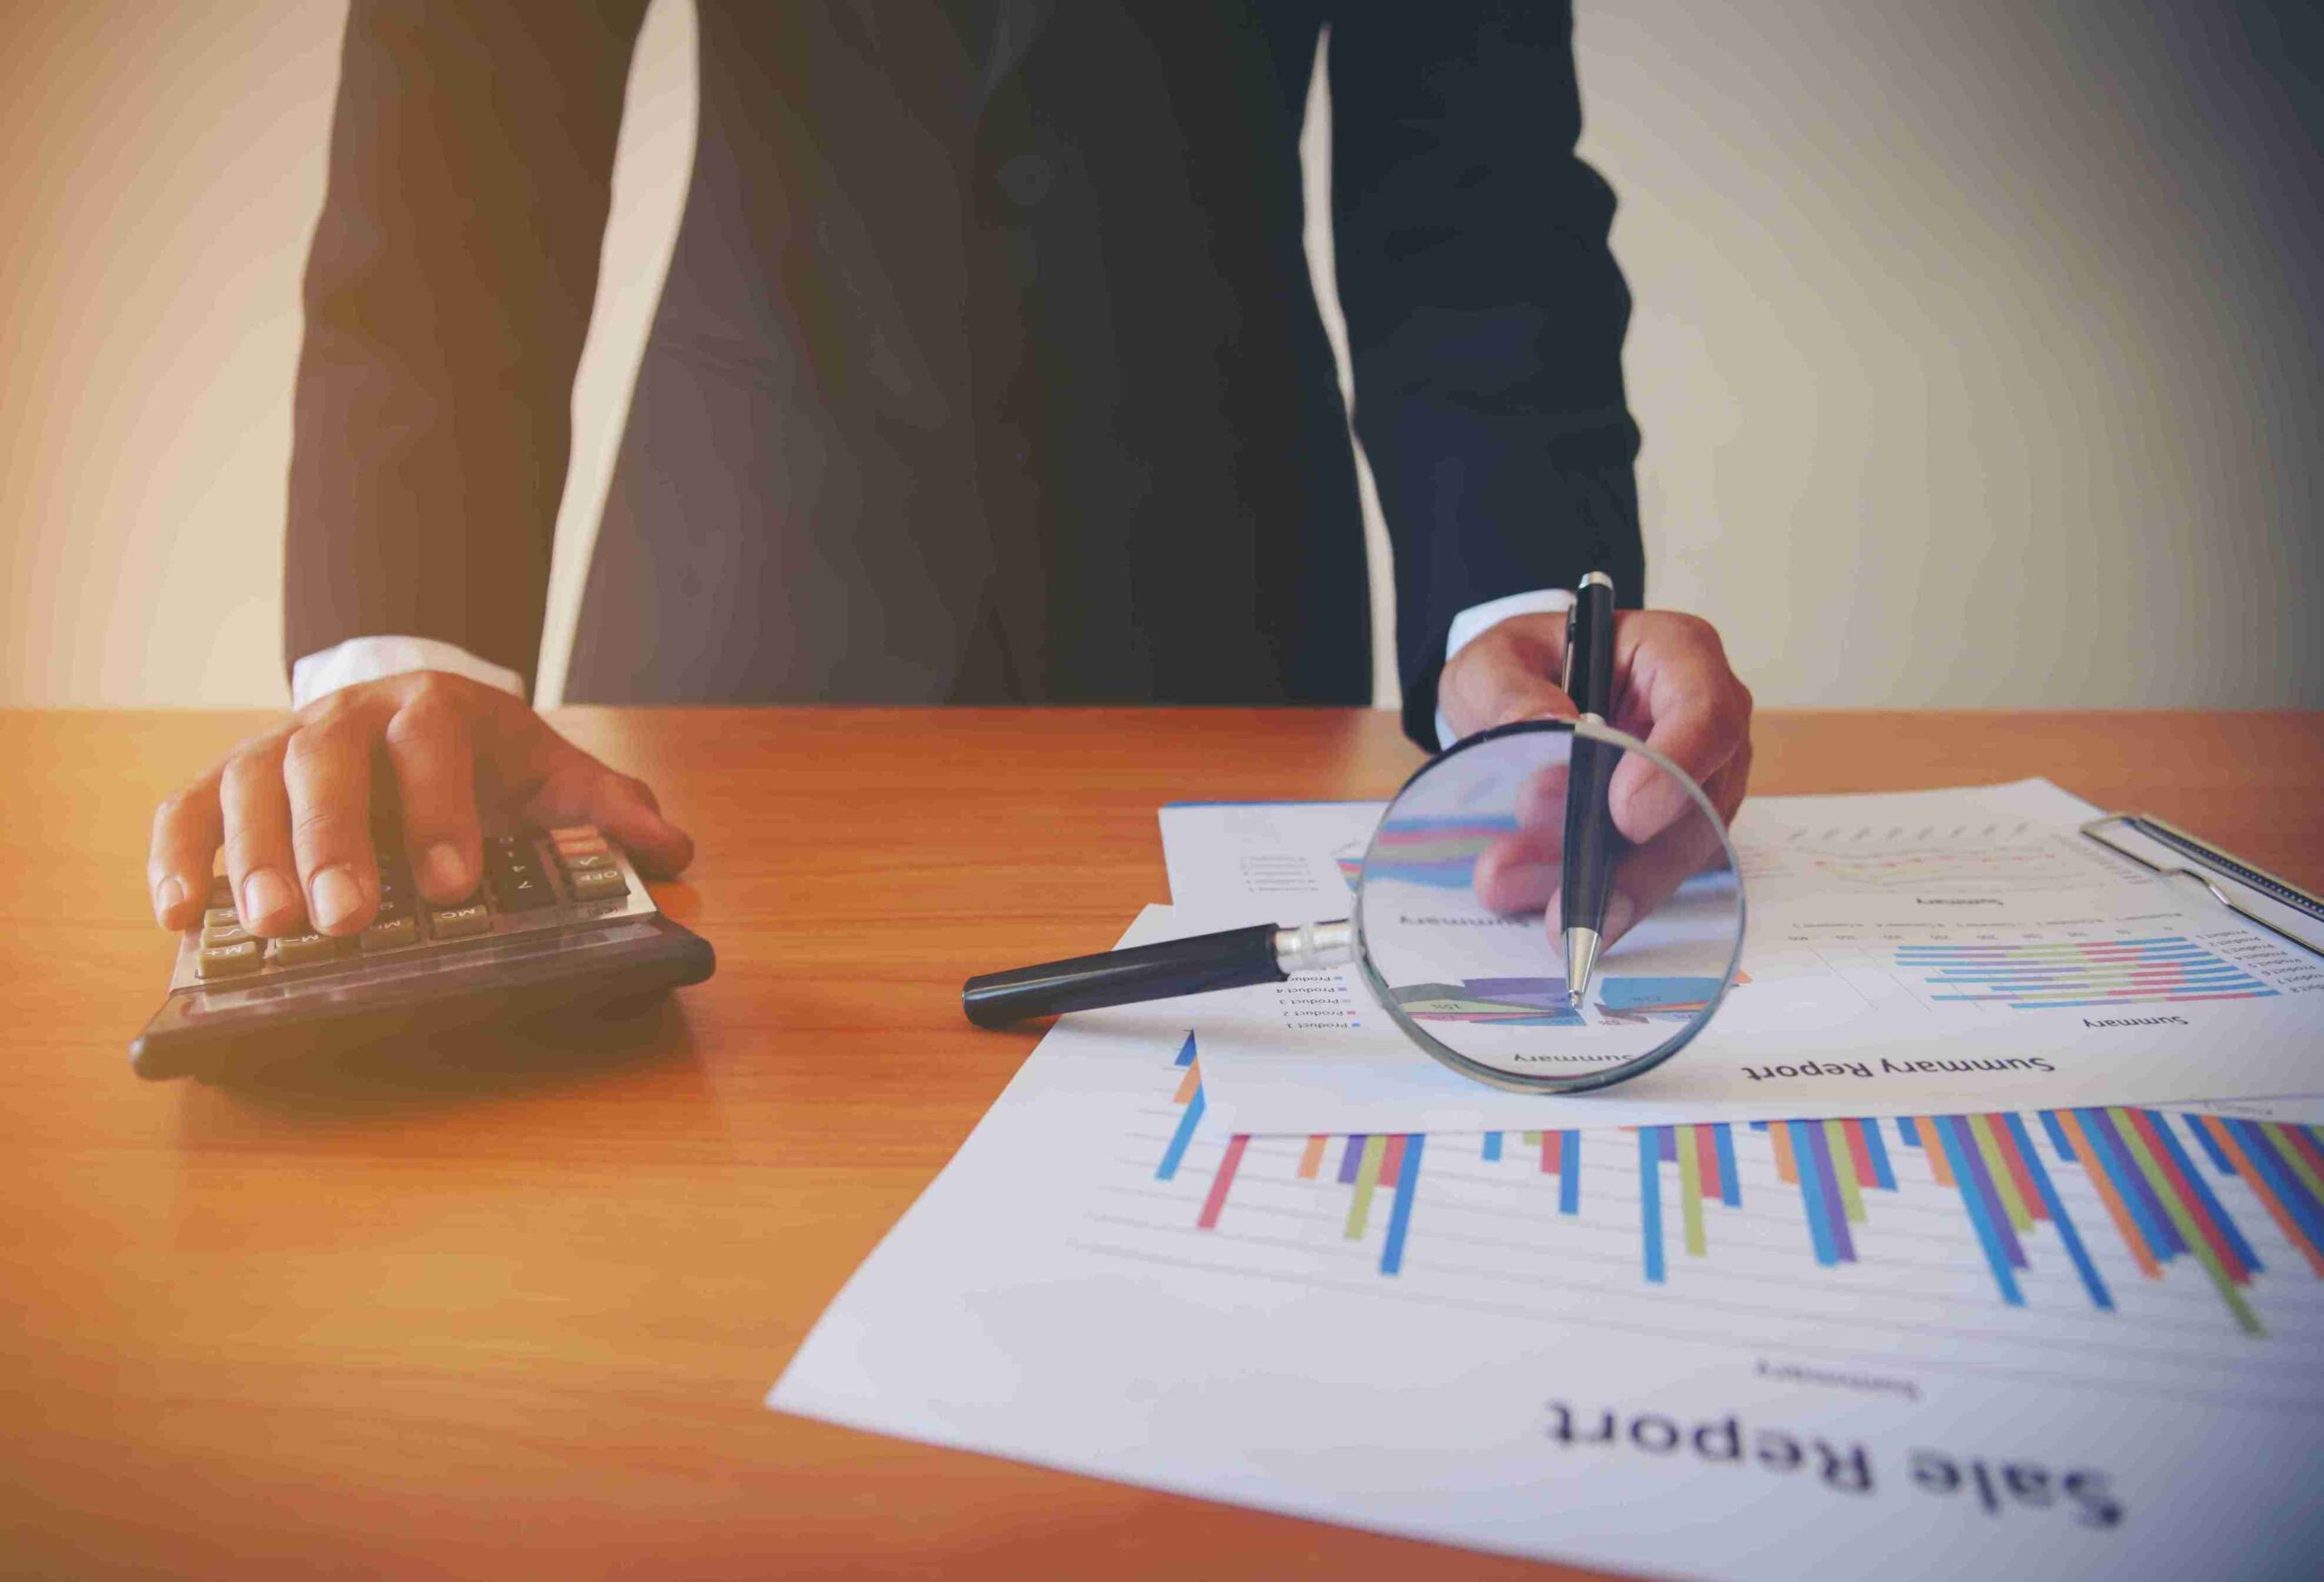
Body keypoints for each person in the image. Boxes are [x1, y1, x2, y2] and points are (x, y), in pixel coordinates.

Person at [146, 3, 1753, 940]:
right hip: (742, 610)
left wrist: (1524, 606)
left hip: (1227, 622)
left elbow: (1474, 181)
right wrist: (406, 660)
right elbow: (467, 129)